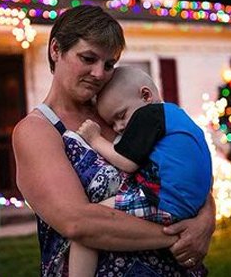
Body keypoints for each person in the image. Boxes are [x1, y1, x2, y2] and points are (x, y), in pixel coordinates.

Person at [12, 5, 216, 276]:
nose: (99, 73)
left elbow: (183, 166)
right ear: (56, 50)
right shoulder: (38, 131)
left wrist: (205, 219)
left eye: (109, 64)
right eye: (88, 58)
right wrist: (178, 236)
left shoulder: (120, 112)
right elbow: (77, 223)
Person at [69, 66, 213, 277]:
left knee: (88, 228)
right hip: (190, 205)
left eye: (121, 115)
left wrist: (94, 139)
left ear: (146, 95)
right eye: (112, 122)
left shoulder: (149, 114)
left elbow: (127, 162)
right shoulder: (176, 115)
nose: (118, 126)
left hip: (167, 203)